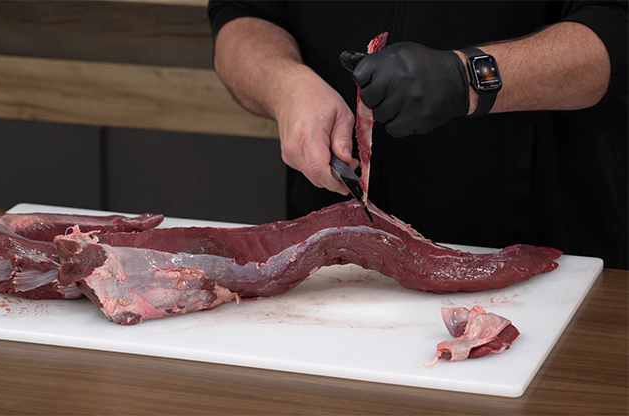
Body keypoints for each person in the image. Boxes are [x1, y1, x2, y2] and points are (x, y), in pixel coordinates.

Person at [207, 1, 628, 269]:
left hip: (537, 252)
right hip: (331, 266)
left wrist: (468, 77)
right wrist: (285, 85)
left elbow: (617, 26)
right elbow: (242, 15)